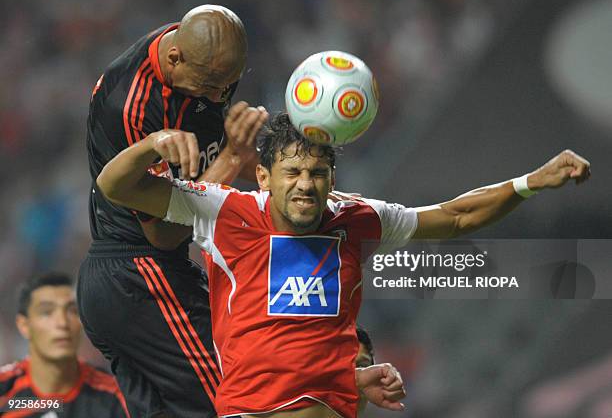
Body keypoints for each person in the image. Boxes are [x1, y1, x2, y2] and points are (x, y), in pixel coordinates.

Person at [94, 113, 590, 417]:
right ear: (264, 177)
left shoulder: (357, 219)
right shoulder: (224, 210)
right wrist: (153, 144)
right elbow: (116, 187)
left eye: (318, 172)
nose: (306, 184)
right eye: (292, 172)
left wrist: (529, 183)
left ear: (332, 176)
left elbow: (457, 216)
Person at [78, 4, 269, 418]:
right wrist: (231, 160)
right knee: (243, 401)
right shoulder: (132, 110)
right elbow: (163, 233)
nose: (219, 98)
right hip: (139, 275)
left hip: (135, 281)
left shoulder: (204, 54)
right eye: (210, 85)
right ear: (175, 58)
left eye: (229, 85)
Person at [0, 272, 129, 417]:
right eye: (47, 312)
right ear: (24, 325)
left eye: (72, 311)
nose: (62, 322)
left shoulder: (116, 396)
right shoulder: (5, 393)